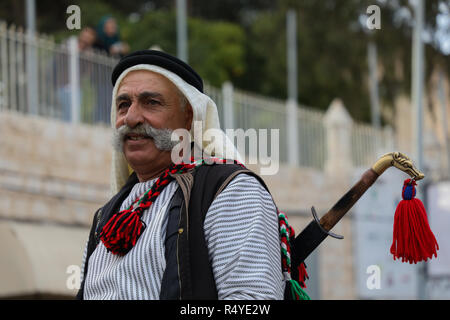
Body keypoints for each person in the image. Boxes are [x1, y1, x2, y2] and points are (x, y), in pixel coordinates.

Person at [77, 50, 285, 300]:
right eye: (124, 105)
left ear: (189, 118)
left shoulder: (229, 190)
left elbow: (255, 301)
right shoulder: (107, 216)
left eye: (151, 102)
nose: (131, 118)